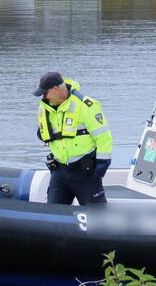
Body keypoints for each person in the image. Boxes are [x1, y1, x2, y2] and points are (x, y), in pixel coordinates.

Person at [34, 71, 113, 205]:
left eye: (45, 93)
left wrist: (101, 167)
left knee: (97, 217)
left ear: (56, 89)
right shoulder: (44, 109)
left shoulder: (86, 106)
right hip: (59, 171)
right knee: (52, 215)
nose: (44, 97)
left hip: (85, 172)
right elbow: (44, 132)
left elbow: (104, 137)